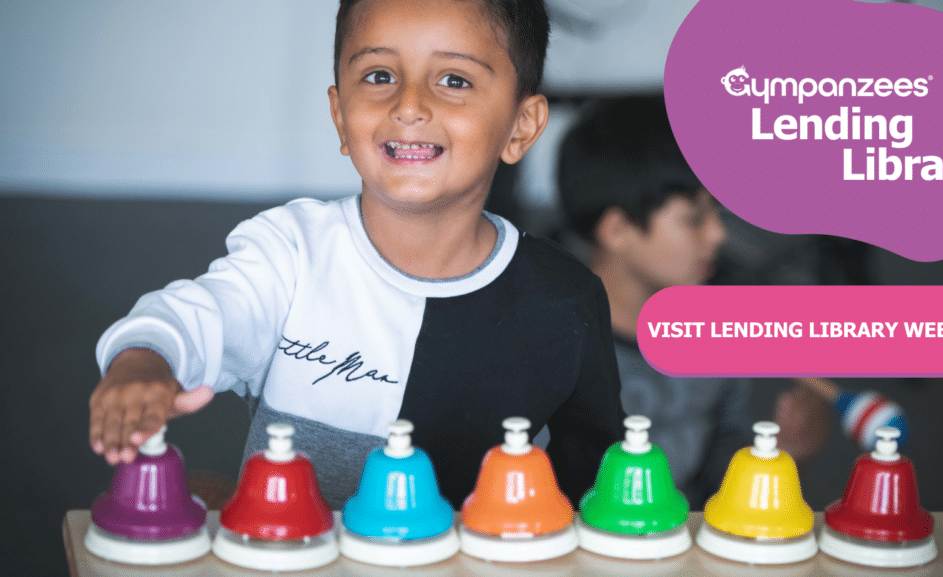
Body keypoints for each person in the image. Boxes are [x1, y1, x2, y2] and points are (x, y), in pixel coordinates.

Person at [88, 0, 624, 509]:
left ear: (521, 126)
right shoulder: (290, 252)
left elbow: (592, 487)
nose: (409, 105)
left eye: (454, 80)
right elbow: (196, 316)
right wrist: (144, 361)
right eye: (379, 76)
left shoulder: (566, 302)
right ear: (341, 114)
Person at [558, 95, 829, 507]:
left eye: (717, 213)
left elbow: (722, 476)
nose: (718, 236)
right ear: (617, 230)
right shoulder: (550, 346)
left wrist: (785, 458)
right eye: (695, 218)